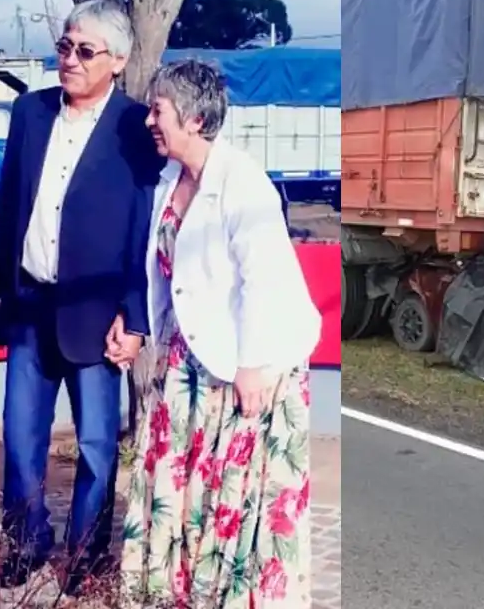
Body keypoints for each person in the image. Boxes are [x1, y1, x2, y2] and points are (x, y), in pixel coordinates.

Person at [117, 59, 322, 608]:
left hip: (248, 363)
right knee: (180, 486)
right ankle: (176, 591)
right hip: (185, 362)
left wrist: (252, 366)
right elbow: (165, 272)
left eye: (158, 110)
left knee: (236, 491)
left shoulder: (242, 182)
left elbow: (266, 278)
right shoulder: (169, 181)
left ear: (193, 118)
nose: (149, 121)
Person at [0, 0, 161, 596]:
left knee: (94, 446)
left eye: (85, 50)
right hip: (30, 305)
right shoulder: (30, 113)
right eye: (64, 46)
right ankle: (24, 543)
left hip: (97, 315)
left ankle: (85, 556)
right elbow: (8, 205)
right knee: (19, 437)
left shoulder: (136, 128)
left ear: (117, 60)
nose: (70, 59)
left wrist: (135, 318)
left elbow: (141, 227)